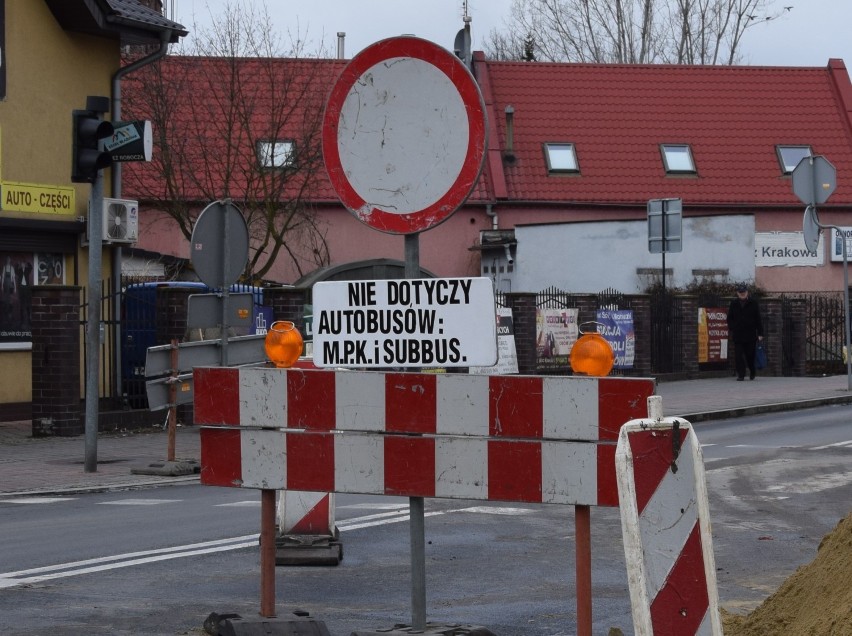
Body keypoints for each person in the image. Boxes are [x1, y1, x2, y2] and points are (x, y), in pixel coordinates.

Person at [727, 284, 764, 381]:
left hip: (750, 334)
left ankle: (752, 370)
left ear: (747, 292)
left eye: (744, 292)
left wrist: (760, 333)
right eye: (740, 292)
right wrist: (733, 327)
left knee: (750, 355)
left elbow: (758, 319)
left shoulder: (753, 303)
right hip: (738, 334)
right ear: (737, 293)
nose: (742, 294)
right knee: (738, 355)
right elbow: (729, 318)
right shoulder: (734, 303)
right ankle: (741, 374)